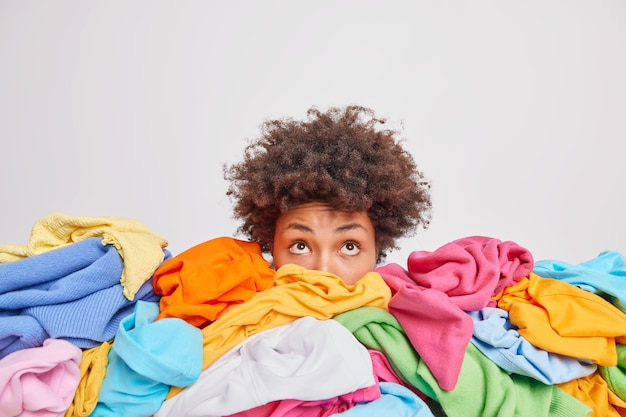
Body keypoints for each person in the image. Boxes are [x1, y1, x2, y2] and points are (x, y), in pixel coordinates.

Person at [223, 104, 432, 284]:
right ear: (272, 248)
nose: (323, 272)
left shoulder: (412, 321)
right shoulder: (233, 322)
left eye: (350, 247)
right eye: (300, 246)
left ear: (376, 251)